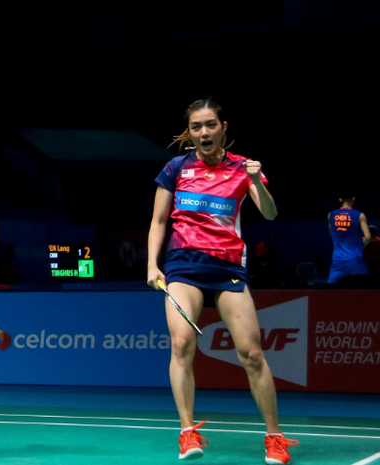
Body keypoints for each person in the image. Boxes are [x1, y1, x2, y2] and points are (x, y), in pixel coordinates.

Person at [147, 99, 298, 464]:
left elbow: (271, 213)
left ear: (223, 128)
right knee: (181, 344)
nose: (204, 133)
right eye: (197, 126)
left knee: (252, 353)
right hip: (183, 266)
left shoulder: (243, 168)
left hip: (227, 268)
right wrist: (152, 264)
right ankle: (187, 432)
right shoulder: (176, 168)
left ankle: (275, 437)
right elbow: (159, 221)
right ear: (191, 132)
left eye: (210, 125)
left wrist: (254, 182)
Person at [327, 195, 370, 284]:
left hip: (337, 260)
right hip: (356, 260)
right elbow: (368, 237)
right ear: (354, 198)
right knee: (363, 290)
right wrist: (360, 248)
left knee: (330, 291)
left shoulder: (331, 215)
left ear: (340, 199)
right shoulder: (360, 215)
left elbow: (331, 233)